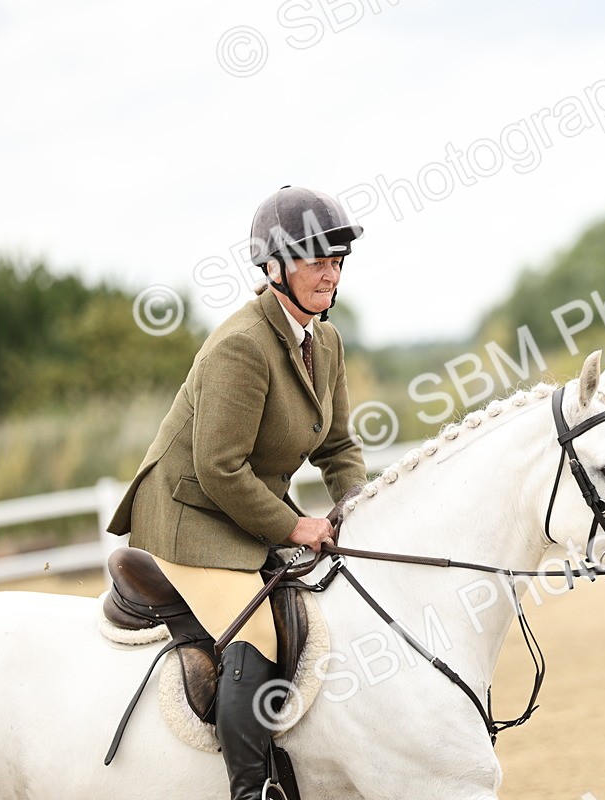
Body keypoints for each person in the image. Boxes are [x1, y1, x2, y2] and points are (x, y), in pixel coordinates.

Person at [106, 185, 367, 800]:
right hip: (191, 515)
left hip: (243, 509)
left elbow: (337, 447)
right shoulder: (241, 345)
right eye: (314, 260)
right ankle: (252, 793)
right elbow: (219, 468)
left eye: (336, 260)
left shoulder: (323, 341)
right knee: (258, 634)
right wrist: (293, 527)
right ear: (274, 267)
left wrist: (361, 506)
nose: (328, 273)